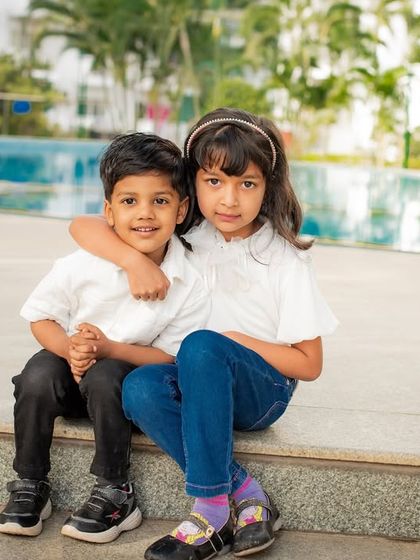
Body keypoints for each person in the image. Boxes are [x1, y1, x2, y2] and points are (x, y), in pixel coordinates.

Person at [68, 107, 339, 558]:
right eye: (214, 182)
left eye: (246, 184)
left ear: (268, 187)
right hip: (196, 385)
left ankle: (210, 511)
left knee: (200, 344)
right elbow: (83, 226)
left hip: (259, 393)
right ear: (191, 187)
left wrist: (235, 341)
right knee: (138, 388)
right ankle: (246, 492)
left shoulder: (284, 260)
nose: (229, 200)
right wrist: (133, 261)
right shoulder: (185, 234)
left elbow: (309, 365)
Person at [0, 132, 209, 544]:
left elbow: (171, 359)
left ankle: (115, 490)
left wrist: (106, 349)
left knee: (106, 373)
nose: (145, 214)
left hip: (118, 389)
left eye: (160, 201)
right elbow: (40, 318)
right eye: (130, 201)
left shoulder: (189, 279)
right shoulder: (84, 263)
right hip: (72, 370)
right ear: (109, 212)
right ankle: (29, 484)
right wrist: (71, 349)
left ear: (182, 209)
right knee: (38, 373)